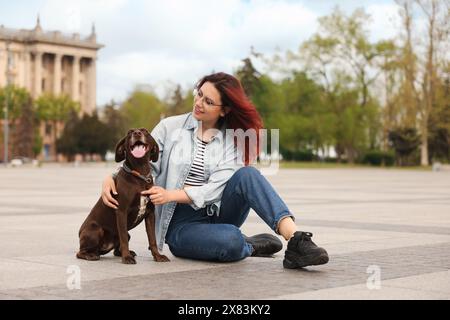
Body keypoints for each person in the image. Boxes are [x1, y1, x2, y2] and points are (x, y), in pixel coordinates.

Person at [101, 72, 329, 269]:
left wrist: (171, 193)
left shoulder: (234, 140)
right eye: (199, 94)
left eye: (209, 101)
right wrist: (112, 177)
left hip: (220, 211)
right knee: (230, 242)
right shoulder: (169, 127)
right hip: (180, 224)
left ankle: (297, 240)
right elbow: (143, 166)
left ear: (224, 110)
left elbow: (215, 189)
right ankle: (246, 244)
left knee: (248, 174)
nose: (199, 102)